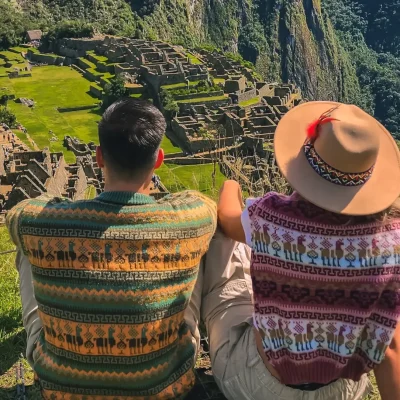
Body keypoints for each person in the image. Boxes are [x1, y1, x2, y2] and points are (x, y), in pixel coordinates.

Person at [7, 98, 217, 399]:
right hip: (164, 384)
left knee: (29, 248)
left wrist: (69, 216)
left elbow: (18, 213)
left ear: (99, 158)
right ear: (158, 159)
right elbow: (203, 202)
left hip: (63, 388)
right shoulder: (190, 218)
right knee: (205, 243)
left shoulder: (38, 223)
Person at [205, 102, 400, 399]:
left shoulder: (271, 217)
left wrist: (230, 185)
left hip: (259, 386)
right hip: (340, 390)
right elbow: (391, 348)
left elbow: (228, 219)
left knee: (225, 246)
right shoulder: (392, 241)